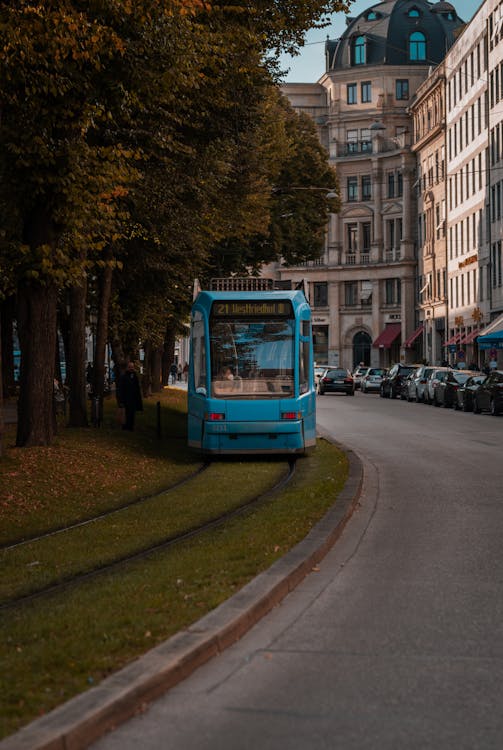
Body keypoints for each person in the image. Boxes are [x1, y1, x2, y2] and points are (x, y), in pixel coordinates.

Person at [117, 361, 143, 431]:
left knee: (132, 413)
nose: (131, 368)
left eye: (132, 367)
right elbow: (121, 389)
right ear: (127, 368)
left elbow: (137, 387)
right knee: (126, 413)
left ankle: (131, 426)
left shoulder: (134, 376)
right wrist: (121, 400)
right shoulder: (124, 376)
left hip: (133, 398)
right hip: (126, 398)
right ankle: (126, 426)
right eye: (130, 367)